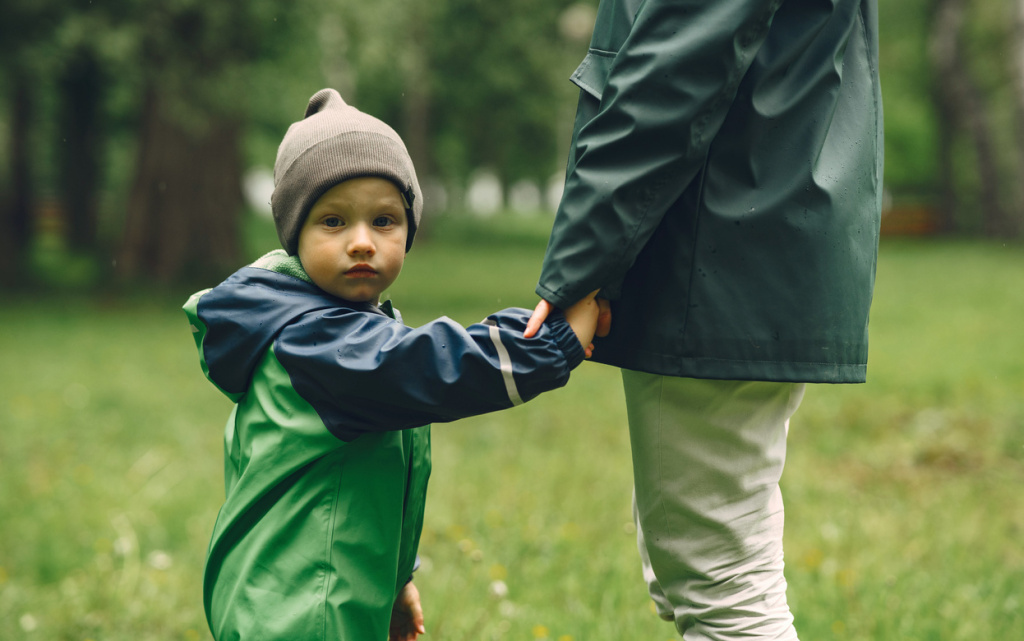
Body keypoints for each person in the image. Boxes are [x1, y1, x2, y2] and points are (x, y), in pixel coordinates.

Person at [184, 88, 599, 641]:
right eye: (333, 221)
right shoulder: (315, 341)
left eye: (383, 220)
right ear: (294, 233)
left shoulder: (337, 330)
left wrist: (392, 581)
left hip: (295, 593)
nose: (362, 242)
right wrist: (552, 341)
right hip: (301, 609)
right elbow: (440, 367)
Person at [524, 0, 883, 638]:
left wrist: (581, 264)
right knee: (698, 569)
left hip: (718, 237)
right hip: (753, 227)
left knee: (723, 587)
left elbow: (675, 66)